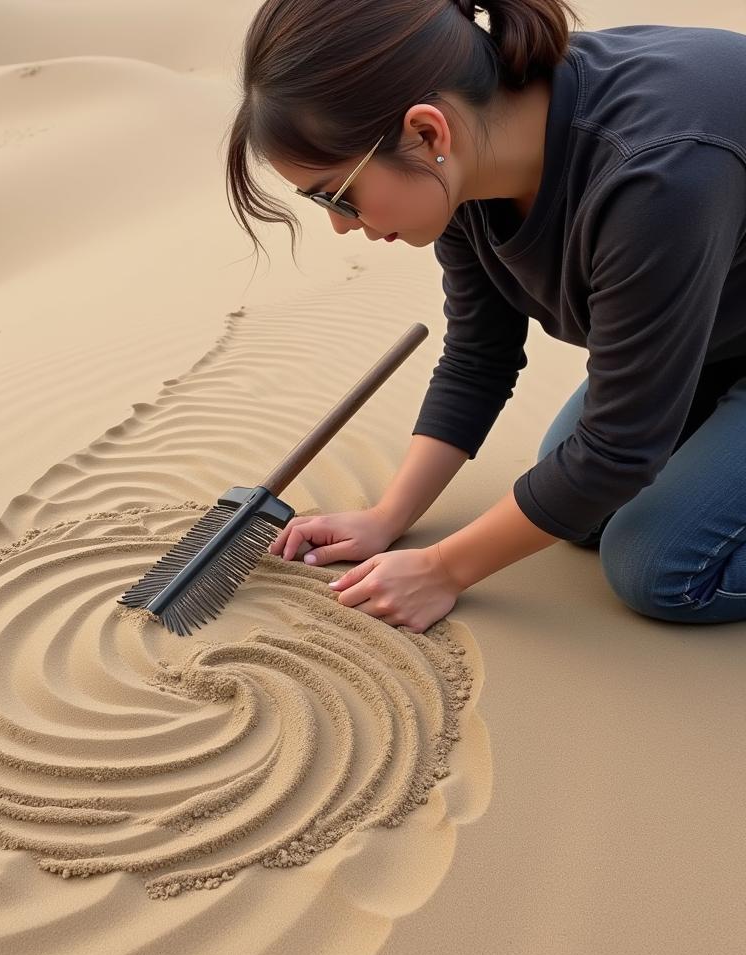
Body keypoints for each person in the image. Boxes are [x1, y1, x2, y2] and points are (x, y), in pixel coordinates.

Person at [225, 0, 746, 632]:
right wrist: (388, 516)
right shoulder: (472, 160)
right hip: (717, 327)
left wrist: (442, 570)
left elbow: (619, 450)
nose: (338, 224)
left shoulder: (658, 178)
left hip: (713, 311)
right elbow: (479, 357)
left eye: (337, 193)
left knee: (659, 568)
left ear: (426, 132)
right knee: (578, 507)